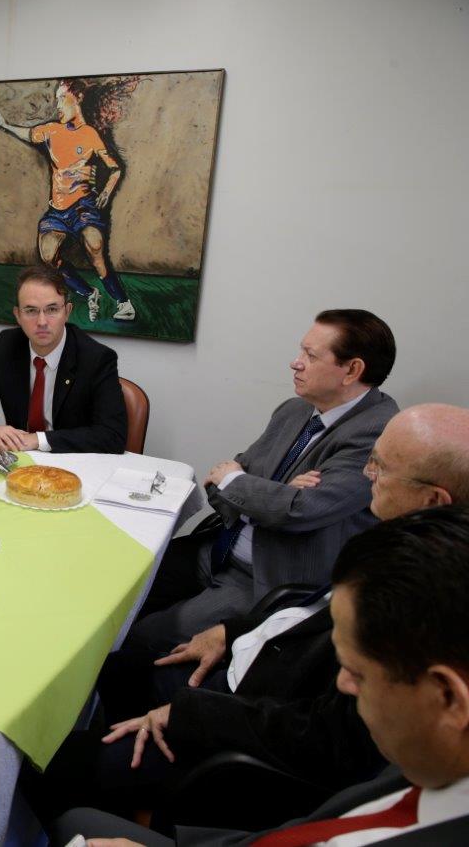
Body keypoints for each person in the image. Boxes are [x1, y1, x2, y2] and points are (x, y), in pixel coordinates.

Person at [24, 404, 469, 826]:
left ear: (432, 498)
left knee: (45, 763)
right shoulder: (397, 543)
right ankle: (118, 771)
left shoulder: (416, 600)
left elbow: (327, 740)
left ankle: (111, 795)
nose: (365, 475)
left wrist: (185, 713)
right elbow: (308, 613)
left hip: (242, 726)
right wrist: (233, 631)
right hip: (248, 662)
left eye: (381, 468)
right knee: (111, 664)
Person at [51, 504, 469, 846]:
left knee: (57, 778)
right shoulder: (428, 773)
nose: (345, 683)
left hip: (238, 745)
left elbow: (323, 744)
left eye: (356, 673)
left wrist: (189, 713)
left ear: (448, 697)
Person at [126, 310, 398, 654]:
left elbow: (299, 511)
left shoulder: (378, 432)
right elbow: (220, 481)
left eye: (311, 356)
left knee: (141, 639)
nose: (295, 363)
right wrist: (268, 493)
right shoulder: (295, 409)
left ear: (352, 370)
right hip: (219, 547)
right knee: (119, 583)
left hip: (263, 576)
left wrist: (249, 487)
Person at [0, 78, 137, 322]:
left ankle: (123, 302)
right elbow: (27, 133)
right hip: (57, 211)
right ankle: (89, 293)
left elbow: (115, 169)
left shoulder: (90, 135)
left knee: (95, 245)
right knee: (47, 255)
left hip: (83, 207)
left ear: (76, 98)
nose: (57, 105)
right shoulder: (51, 131)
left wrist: (106, 192)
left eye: (61, 98)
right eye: (56, 99)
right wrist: (4, 124)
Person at [0, 263, 127, 454]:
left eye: (52, 309)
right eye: (31, 311)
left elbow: (113, 435)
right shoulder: (8, 346)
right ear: (18, 315)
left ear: (67, 312)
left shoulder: (96, 358)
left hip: (72, 466)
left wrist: (36, 440)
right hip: (20, 463)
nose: (42, 322)